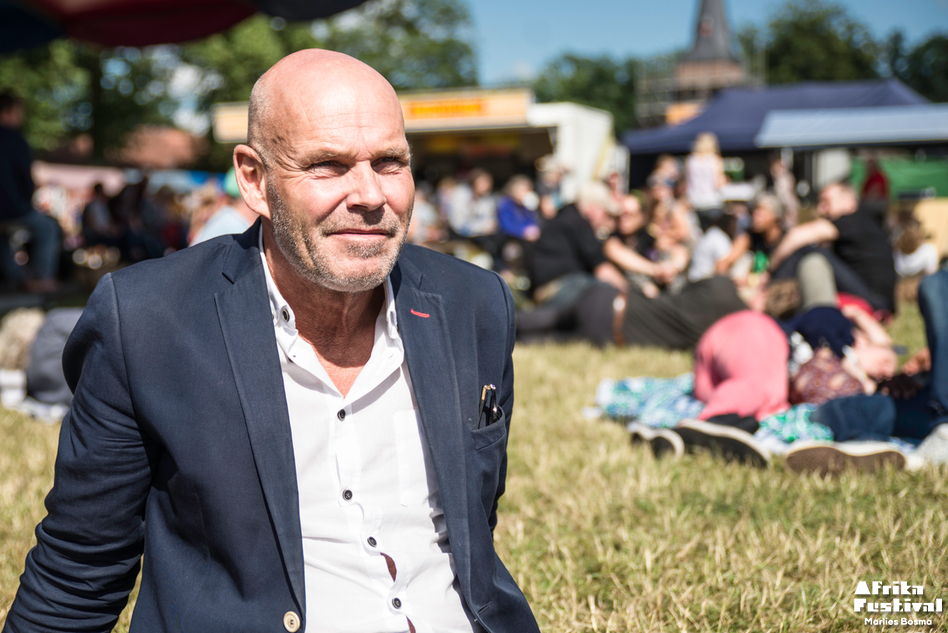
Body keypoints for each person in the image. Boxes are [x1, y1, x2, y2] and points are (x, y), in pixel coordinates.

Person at [4, 50, 539, 633]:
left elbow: (474, 522)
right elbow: (79, 571)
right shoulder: (147, 321)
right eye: (328, 165)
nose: (370, 195)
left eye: (390, 163)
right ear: (254, 180)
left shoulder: (474, 304)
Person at [768, 182, 897, 317]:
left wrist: (769, 272)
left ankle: (769, 297)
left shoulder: (850, 220)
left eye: (826, 202)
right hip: (880, 301)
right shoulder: (865, 223)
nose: (820, 209)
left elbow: (795, 237)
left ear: (849, 201)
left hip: (874, 302)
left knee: (808, 250)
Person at [0, 92, 62, 293]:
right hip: (11, 207)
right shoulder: (15, 139)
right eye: (18, 112)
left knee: (4, 238)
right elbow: (25, 178)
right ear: (8, 112)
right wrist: (26, 202)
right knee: (48, 228)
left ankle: (16, 279)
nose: (21, 117)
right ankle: (41, 279)